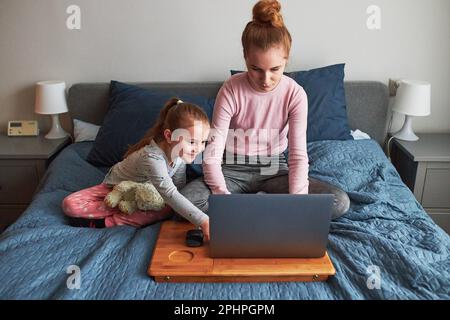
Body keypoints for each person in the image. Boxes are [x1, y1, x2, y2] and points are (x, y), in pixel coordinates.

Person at [180, 0, 350, 219]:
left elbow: (298, 156)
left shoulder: (295, 94)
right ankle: (262, 206)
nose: (266, 80)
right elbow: (212, 154)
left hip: (274, 169)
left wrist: (298, 204)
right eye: (256, 69)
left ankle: (256, 204)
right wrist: (222, 197)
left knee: (339, 202)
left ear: (286, 61)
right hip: (232, 168)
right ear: (245, 58)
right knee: (184, 202)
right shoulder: (231, 88)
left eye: (275, 69)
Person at [62, 98, 211, 238]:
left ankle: (108, 222)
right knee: (70, 205)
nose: (198, 149)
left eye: (203, 142)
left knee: (166, 208)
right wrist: (203, 221)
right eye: (192, 142)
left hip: (144, 195)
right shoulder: (152, 158)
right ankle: (113, 213)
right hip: (116, 189)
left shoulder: (180, 158)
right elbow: (170, 193)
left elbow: (177, 190)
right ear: (169, 136)